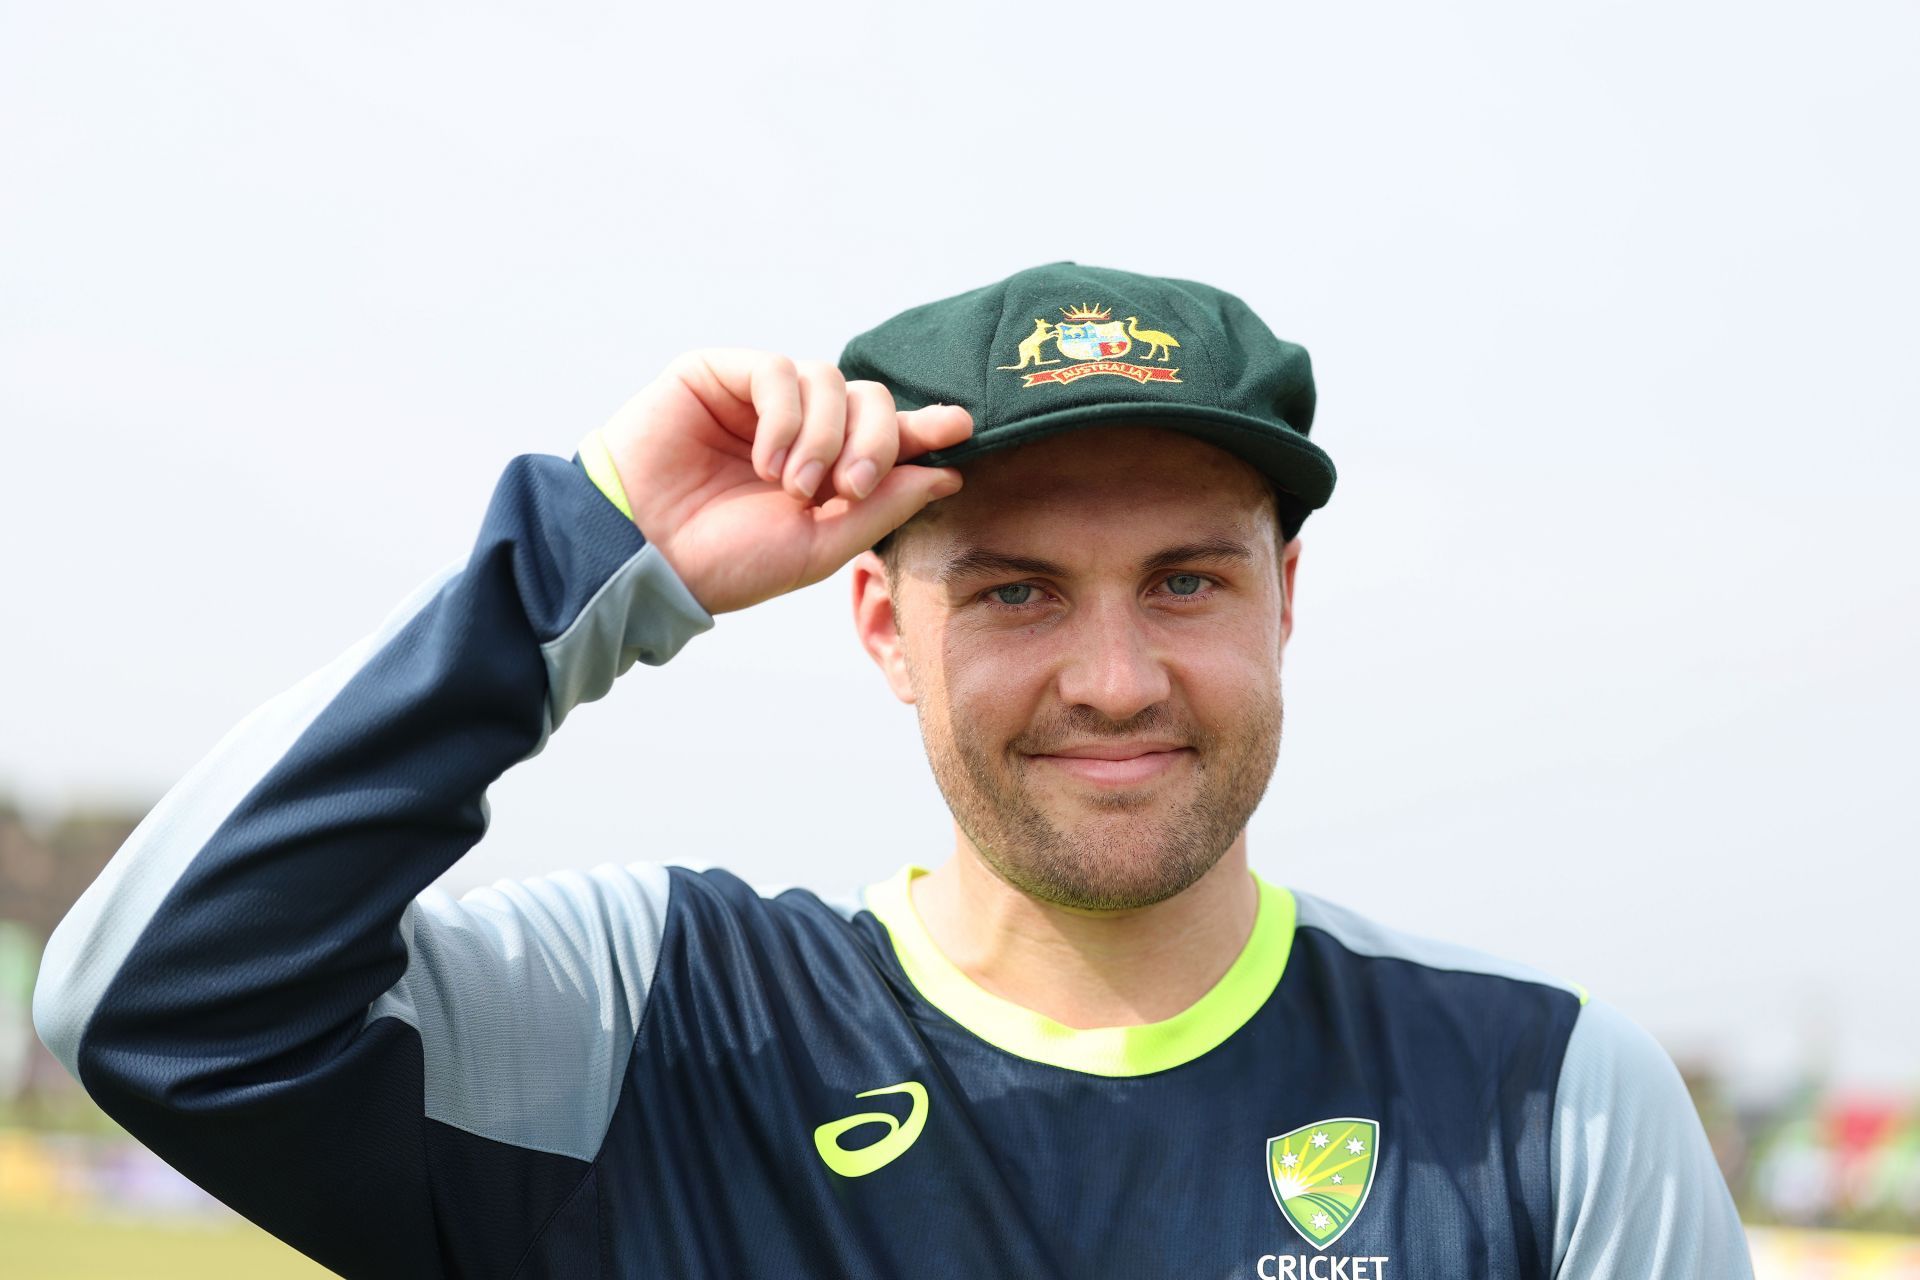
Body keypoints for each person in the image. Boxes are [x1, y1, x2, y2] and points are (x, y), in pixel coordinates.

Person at [34, 263, 1751, 1278]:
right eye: (1014, 590)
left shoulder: (1546, 1099)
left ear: (1285, 597)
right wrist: (592, 548)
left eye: (1187, 579)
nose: (1114, 677)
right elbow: (160, 1006)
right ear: (877, 623)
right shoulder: (657, 1029)